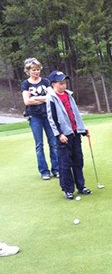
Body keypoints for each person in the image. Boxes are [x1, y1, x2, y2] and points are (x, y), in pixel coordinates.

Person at [46, 70, 92, 200]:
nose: (63, 86)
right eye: (60, 83)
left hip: (75, 132)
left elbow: (75, 114)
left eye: (64, 83)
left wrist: (83, 129)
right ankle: (68, 189)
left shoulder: (69, 95)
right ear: (53, 84)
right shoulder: (51, 98)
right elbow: (52, 119)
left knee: (78, 160)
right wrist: (59, 134)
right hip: (63, 135)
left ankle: (81, 186)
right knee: (65, 163)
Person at [21, 58, 59, 180]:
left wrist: (36, 99)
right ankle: (44, 171)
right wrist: (43, 98)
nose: (36, 72)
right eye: (34, 70)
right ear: (28, 71)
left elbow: (51, 96)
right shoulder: (25, 84)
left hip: (48, 116)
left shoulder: (46, 81)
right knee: (39, 145)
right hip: (34, 117)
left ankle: (56, 169)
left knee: (53, 143)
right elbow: (27, 101)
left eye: (38, 69)